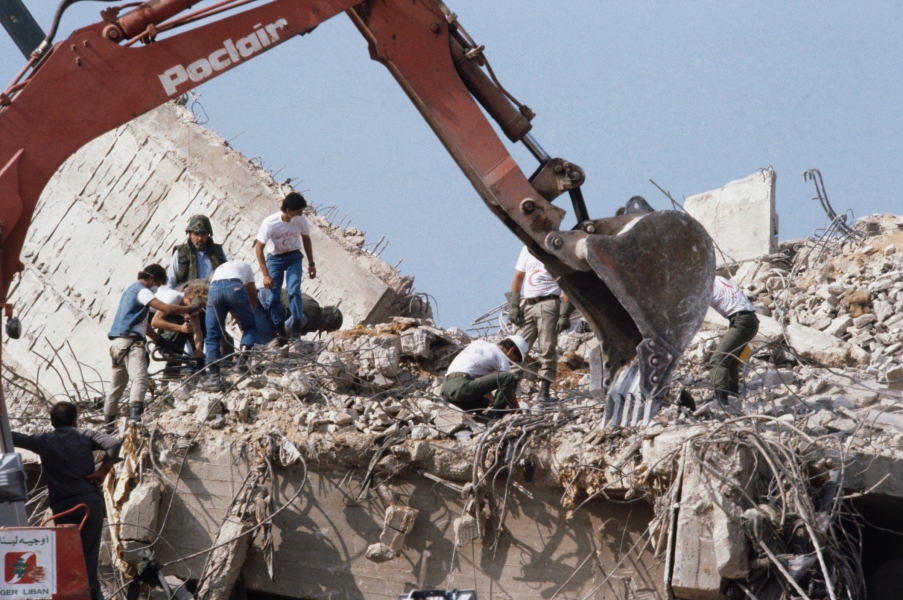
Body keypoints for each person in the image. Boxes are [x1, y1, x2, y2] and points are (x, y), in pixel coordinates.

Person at [13, 402, 121, 600]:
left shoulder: (43, 440)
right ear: (74, 420)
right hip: (89, 503)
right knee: (88, 560)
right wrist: (102, 471)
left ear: (52, 422)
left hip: (62, 507)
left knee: (66, 559)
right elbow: (113, 443)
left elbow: (14, 437)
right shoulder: (84, 434)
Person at [105, 265, 200, 422]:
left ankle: (108, 424)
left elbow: (144, 325)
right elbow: (167, 309)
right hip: (131, 344)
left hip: (117, 344)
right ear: (151, 277)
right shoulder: (142, 291)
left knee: (116, 388)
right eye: (157, 283)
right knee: (140, 380)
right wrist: (190, 307)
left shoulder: (129, 292)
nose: (157, 288)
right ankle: (135, 420)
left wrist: (159, 340)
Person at [506, 246, 574, 402]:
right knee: (517, 348)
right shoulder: (527, 249)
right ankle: (509, 391)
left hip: (549, 302)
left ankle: (544, 392)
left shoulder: (555, 248)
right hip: (528, 304)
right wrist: (514, 305)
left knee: (547, 348)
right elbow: (518, 277)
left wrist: (564, 313)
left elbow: (566, 283)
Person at [255, 192, 316, 339]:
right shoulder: (270, 223)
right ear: (289, 211)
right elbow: (258, 248)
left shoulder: (301, 220)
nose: (301, 214)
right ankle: (280, 328)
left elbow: (306, 239)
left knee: (294, 291)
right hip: (275, 259)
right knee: (271, 298)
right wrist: (265, 275)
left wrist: (311, 264)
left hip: (293, 257)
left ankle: (295, 325)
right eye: (298, 212)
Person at [441, 335, 529, 417]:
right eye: (515, 359)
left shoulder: (479, 343)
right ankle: (496, 415)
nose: (511, 363)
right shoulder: (502, 360)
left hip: (446, 390)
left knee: (483, 403)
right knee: (508, 377)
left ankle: (469, 415)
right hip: (460, 387)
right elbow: (509, 392)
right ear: (511, 350)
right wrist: (519, 412)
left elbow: (481, 382)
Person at [202, 260, 258, 387]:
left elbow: (223, 293)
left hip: (214, 290)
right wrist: (248, 316)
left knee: (212, 335)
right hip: (235, 288)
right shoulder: (246, 266)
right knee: (250, 327)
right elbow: (252, 294)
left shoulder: (219, 270)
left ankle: (213, 377)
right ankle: (242, 362)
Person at [708, 276, 760, 404]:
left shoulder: (703, 285)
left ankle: (722, 403)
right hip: (749, 319)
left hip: (742, 322)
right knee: (730, 360)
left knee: (717, 361)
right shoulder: (717, 278)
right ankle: (733, 396)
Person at [151, 281, 208, 376]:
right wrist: (180, 328)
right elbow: (155, 322)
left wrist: (198, 348)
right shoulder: (172, 298)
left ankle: (197, 371)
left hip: (164, 317)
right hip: (148, 316)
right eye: (200, 306)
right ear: (190, 300)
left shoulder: (192, 306)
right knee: (178, 337)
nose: (200, 310)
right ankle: (170, 376)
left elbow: (197, 330)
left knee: (188, 329)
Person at [254, 289, 343, 345]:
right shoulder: (308, 313)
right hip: (260, 302)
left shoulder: (313, 312)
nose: (323, 330)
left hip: (269, 306)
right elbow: (285, 330)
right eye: (326, 328)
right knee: (267, 340)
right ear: (325, 322)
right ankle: (246, 364)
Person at [165, 215, 228, 289]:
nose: (200, 238)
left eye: (203, 234)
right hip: (188, 297)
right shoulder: (180, 253)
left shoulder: (218, 251)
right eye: (196, 234)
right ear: (190, 234)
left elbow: (228, 275)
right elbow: (171, 283)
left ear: (208, 235)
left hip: (214, 295)